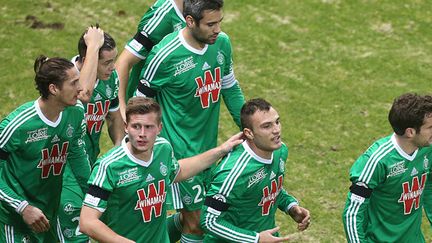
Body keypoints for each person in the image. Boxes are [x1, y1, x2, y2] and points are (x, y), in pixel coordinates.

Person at [136, 0, 245, 241]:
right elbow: (140, 105)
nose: (217, 30)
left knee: (198, 218)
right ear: (190, 21)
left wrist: (249, 128)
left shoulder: (222, 44)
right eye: (210, 24)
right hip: (180, 154)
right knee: (197, 224)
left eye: (219, 22)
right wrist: (155, 150)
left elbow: (230, 88)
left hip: (210, 149)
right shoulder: (165, 55)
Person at [78, 97, 243, 243]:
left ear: (159, 128)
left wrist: (221, 149)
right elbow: (87, 222)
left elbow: (178, 171)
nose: (142, 134)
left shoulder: (163, 148)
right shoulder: (109, 166)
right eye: (136, 126)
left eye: (149, 127)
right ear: (126, 127)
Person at [0, 55, 90, 242]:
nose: (80, 88)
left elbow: (78, 157)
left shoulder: (75, 113)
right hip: (13, 218)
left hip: (48, 214)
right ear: (53, 89)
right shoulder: (17, 126)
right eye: (73, 83)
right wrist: (22, 207)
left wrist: (94, 197)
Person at [200, 98, 310, 242]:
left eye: (277, 122)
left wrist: (291, 207)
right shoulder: (233, 172)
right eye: (267, 126)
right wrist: (255, 238)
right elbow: (208, 221)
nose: (276, 130)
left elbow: (268, 187)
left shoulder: (280, 151)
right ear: (249, 133)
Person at [58, 26, 124, 242]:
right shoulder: (65, 80)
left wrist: (118, 147)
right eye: (106, 62)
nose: (113, 68)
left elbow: (114, 117)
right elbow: (84, 95)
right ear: (90, 59)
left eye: (114, 60)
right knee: (75, 230)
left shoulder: (110, 79)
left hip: (90, 163)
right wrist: (94, 45)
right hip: (63, 166)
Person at [342, 93, 432, 242]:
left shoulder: (427, 149)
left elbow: (430, 185)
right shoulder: (377, 161)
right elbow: (353, 212)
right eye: (430, 127)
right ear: (410, 132)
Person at [116, 0, 186, 121]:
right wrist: (122, 112)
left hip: (181, 112)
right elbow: (123, 62)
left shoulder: (208, 13)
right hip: (147, 113)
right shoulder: (165, 13)